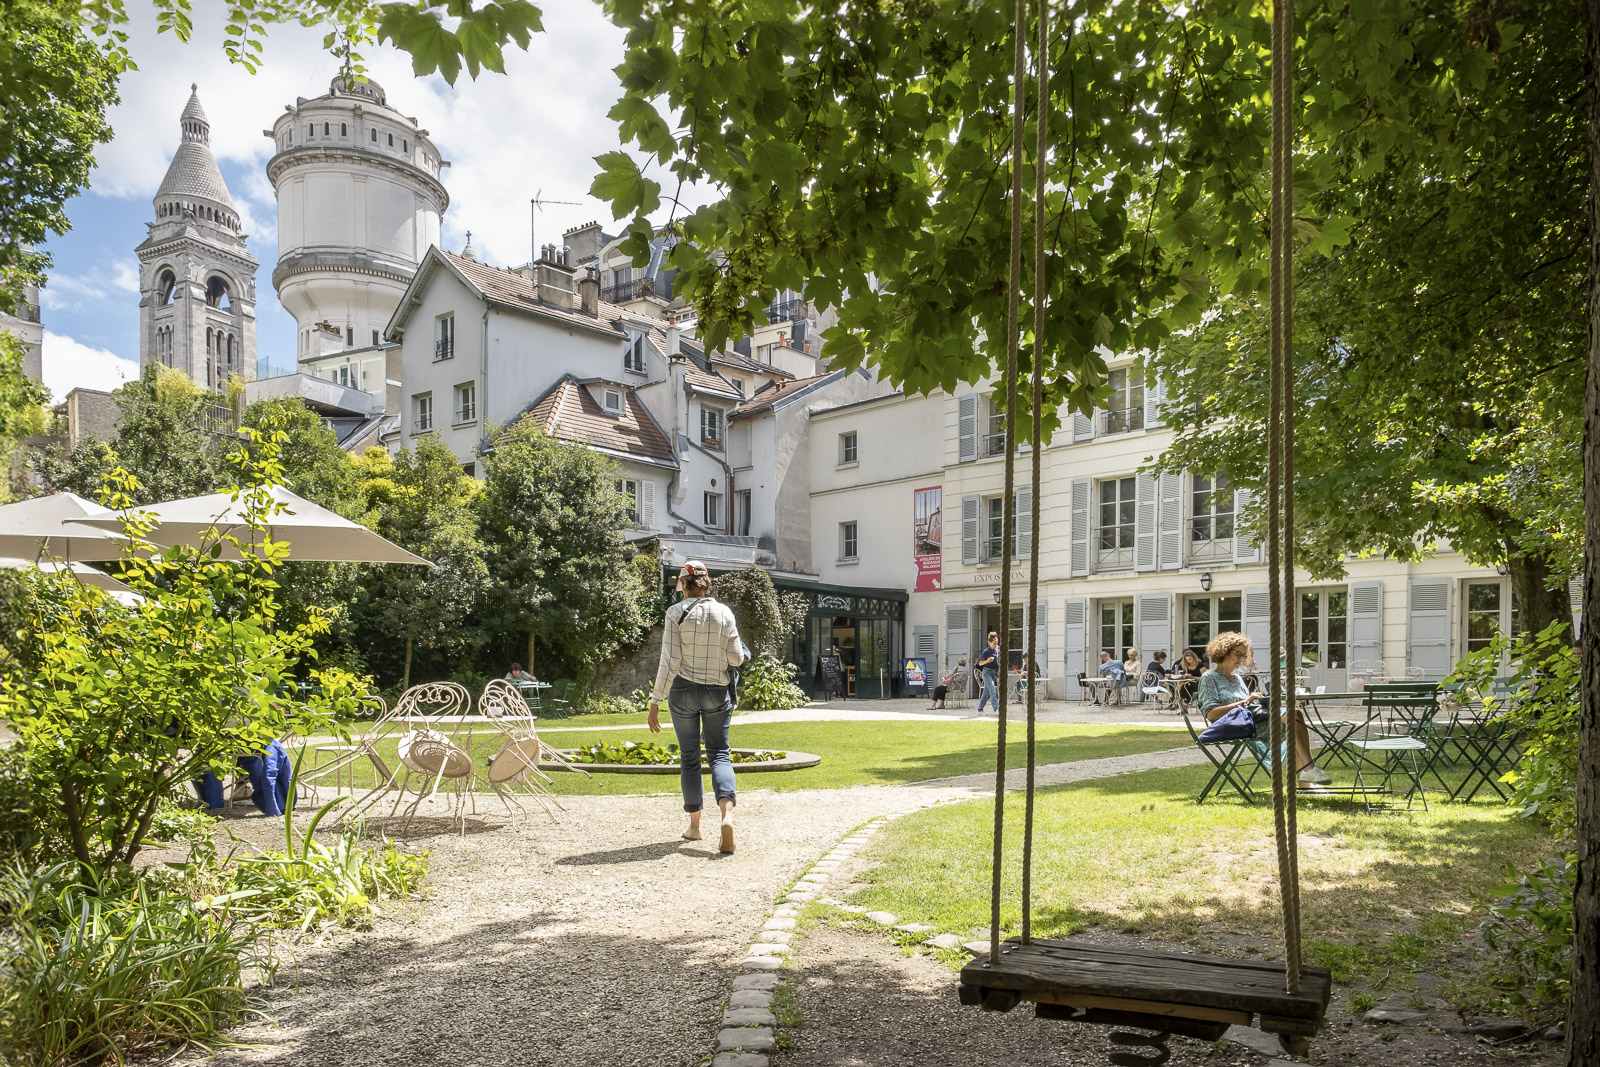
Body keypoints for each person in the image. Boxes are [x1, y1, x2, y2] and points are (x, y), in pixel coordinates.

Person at [649, 560, 750, 852]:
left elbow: (670, 661)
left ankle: (694, 827)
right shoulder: (724, 612)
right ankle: (727, 815)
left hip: (682, 691)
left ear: (683, 584)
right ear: (707, 584)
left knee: (690, 757)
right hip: (717, 691)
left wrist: (655, 701)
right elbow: (735, 659)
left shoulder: (675, 613)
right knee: (720, 752)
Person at [1198, 631, 1330, 788]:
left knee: (1294, 716)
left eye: (1243, 655)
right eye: (1238, 654)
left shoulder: (1238, 679)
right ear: (1223, 651)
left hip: (1252, 721)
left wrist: (1259, 700)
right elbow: (1211, 713)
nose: (1241, 659)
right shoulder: (1209, 677)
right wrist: (1245, 701)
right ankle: (1308, 772)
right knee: (1293, 718)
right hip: (1233, 726)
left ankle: (1306, 783)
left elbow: (1249, 707)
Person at [975, 632, 1000, 714]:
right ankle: (996, 709)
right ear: (989, 642)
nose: (996, 645)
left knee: (986, 692)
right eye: (994, 643)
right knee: (992, 689)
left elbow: (997, 662)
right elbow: (979, 663)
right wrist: (987, 661)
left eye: (997, 643)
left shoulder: (997, 650)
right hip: (986, 672)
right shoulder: (986, 652)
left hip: (994, 672)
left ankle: (980, 710)